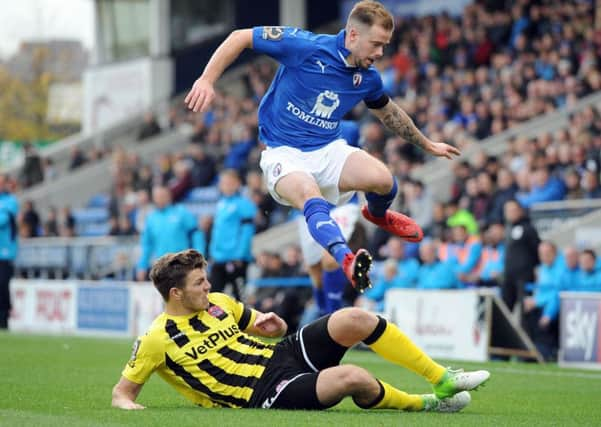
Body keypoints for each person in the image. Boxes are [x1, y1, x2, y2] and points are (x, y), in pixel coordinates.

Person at [184, 0, 460, 291]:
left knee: (385, 182)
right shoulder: (306, 47)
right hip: (283, 152)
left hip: (328, 148)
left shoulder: (367, 78)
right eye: (376, 44)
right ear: (353, 35)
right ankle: (346, 259)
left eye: (385, 46)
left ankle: (377, 215)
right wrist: (206, 80)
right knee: (310, 196)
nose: (380, 53)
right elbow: (240, 36)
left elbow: (389, 112)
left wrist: (427, 144)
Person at [111, 249, 489, 411]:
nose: (208, 287)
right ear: (175, 293)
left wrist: (273, 326)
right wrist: (129, 406)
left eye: (207, 280)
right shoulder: (156, 339)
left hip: (283, 354)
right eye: (199, 284)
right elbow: (122, 394)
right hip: (265, 392)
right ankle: (425, 403)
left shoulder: (221, 303)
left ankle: (442, 378)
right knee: (353, 376)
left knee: (352, 318)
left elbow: (267, 328)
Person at [208, 169, 257, 300]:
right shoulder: (220, 204)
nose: (226, 185)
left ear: (237, 184)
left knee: (240, 298)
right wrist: (213, 253)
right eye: (223, 183)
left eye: (229, 182)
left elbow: (247, 232)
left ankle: (244, 321)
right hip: (219, 259)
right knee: (212, 298)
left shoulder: (244, 204)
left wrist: (239, 255)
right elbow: (216, 232)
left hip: (236, 259)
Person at [136, 186, 197, 281]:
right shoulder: (151, 218)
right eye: (156, 196)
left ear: (168, 196)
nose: (159, 199)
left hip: (181, 265)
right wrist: (142, 266)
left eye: (162, 196)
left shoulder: (181, 212)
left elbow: (196, 234)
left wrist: (198, 258)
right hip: (162, 267)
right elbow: (147, 244)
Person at [0, 175, 19, 328]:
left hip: (6, 252)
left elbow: (3, 220)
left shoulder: (10, 201)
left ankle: (4, 316)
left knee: (3, 284)